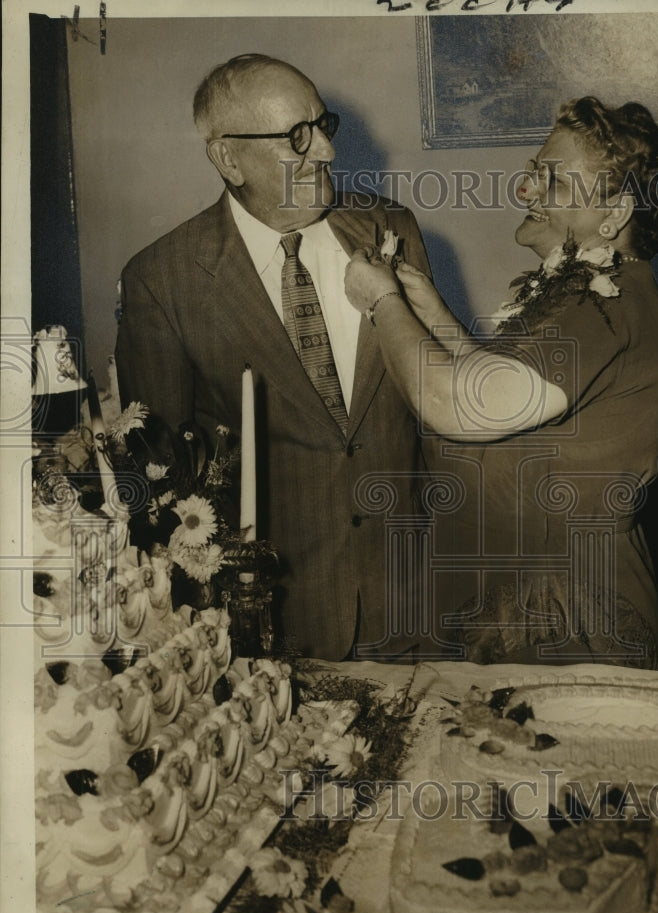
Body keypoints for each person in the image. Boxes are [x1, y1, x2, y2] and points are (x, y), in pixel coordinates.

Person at [344, 97, 658, 669]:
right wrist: (435, 317)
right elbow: (512, 396)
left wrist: (381, 302)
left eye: (551, 178)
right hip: (520, 607)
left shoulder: (601, 304)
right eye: (534, 172)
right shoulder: (582, 290)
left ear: (616, 210)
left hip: (559, 620)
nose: (526, 191)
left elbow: (459, 407)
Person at [115, 54, 433, 661]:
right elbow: (165, 487)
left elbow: (432, 411)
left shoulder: (390, 229)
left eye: (323, 126)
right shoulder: (161, 280)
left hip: (414, 597)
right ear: (228, 159)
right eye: (296, 137)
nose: (328, 154)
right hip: (274, 622)